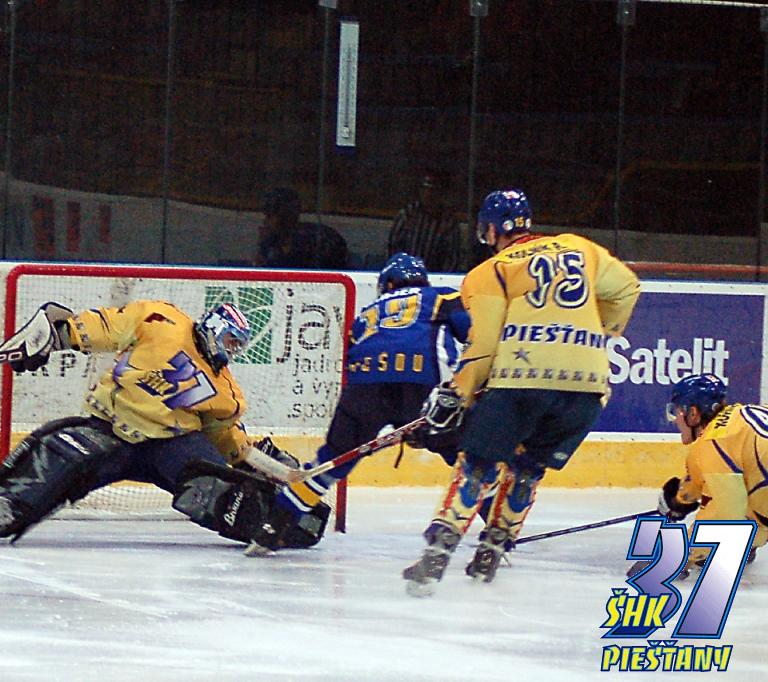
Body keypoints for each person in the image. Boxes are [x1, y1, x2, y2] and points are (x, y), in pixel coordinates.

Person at [402, 188, 641, 595]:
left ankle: (438, 553)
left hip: (521, 383)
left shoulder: (490, 271)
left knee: (478, 466)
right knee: (528, 469)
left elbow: (484, 346)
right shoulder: (580, 247)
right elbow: (628, 289)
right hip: (587, 388)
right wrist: (597, 331)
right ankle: (492, 550)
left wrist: (459, 392)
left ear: (492, 230)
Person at [0, 299, 331, 547]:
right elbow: (109, 325)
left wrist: (265, 466)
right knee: (64, 455)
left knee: (216, 489)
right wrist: (60, 334)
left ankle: (283, 520)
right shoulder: (163, 320)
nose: (232, 349)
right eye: (230, 340)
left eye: (239, 345)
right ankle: (7, 507)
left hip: (172, 445)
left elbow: (224, 436)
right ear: (214, 327)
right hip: (111, 430)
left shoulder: (226, 391)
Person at [244, 252, 472, 556]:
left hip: (364, 388)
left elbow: (354, 357)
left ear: (387, 284)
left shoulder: (366, 313)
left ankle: (272, 528)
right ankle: (496, 533)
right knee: (470, 455)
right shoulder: (443, 296)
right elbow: (474, 335)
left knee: (331, 461)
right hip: (423, 382)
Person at [642, 373, 764, 574]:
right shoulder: (741, 417)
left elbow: (728, 514)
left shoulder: (715, 441)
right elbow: (715, 468)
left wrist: (680, 556)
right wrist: (681, 499)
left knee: (743, 513)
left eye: (676, 412)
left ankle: (747, 540)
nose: (675, 420)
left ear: (693, 413)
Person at [387, 172, 475, 273]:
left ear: (441, 193)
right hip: (404, 275)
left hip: (433, 277)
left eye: (434, 190)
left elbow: (452, 258)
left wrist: (440, 278)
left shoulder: (448, 222)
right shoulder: (407, 215)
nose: (429, 194)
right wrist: (398, 271)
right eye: (425, 188)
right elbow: (393, 246)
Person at [255, 187, 349, 270]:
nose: (265, 222)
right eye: (267, 216)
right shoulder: (271, 242)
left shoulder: (320, 240)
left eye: (270, 216)